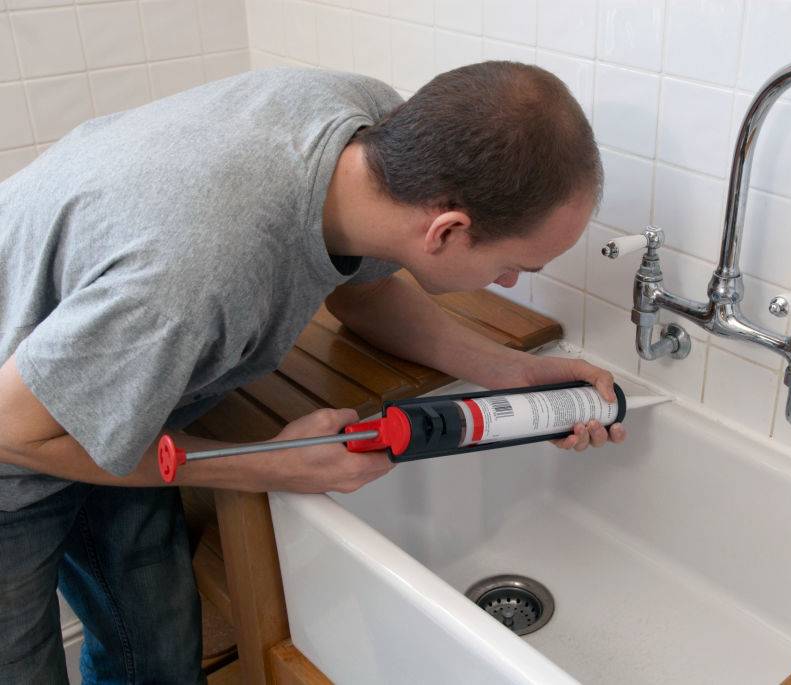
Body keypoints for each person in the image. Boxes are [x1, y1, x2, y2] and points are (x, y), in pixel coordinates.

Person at [0, 62, 625, 682]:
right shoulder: (195, 274)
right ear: (449, 230)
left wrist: (510, 370)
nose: (510, 283)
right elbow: (18, 432)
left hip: (110, 385)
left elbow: (363, 291)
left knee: (158, 650)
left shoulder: (375, 134)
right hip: (16, 441)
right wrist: (270, 463)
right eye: (516, 265)